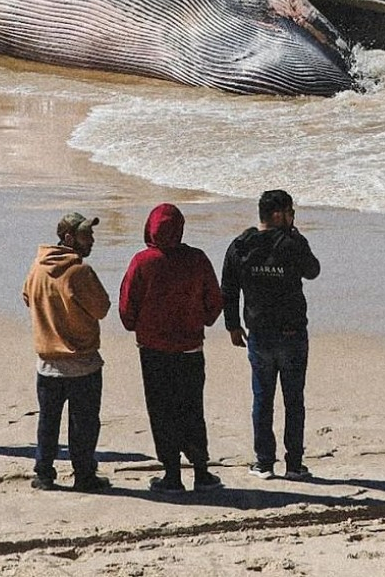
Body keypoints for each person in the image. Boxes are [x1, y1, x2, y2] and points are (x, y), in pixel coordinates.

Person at [119, 202, 224, 493]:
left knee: (162, 411)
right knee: (192, 409)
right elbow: (215, 302)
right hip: (190, 349)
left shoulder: (142, 262)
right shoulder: (198, 259)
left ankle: (172, 474)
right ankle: (201, 472)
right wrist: (201, 320)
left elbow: (127, 309)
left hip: (153, 351)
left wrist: (139, 327)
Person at [221, 188, 320, 481]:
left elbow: (228, 288)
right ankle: (294, 464)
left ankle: (264, 462)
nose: (293, 217)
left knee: (262, 399)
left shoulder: (240, 245)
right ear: (278, 215)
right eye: (291, 212)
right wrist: (296, 238)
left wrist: (232, 325)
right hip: (290, 334)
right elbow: (313, 270)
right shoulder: (291, 244)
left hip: (259, 334)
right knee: (294, 400)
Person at [22, 211, 112, 493]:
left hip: (48, 361)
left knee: (48, 421)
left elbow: (26, 296)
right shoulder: (79, 272)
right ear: (69, 238)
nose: (92, 240)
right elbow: (102, 308)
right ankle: (83, 474)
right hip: (81, 361)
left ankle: (44, 473)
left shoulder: (37, 266)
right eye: (87, 235)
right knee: (83, 424)